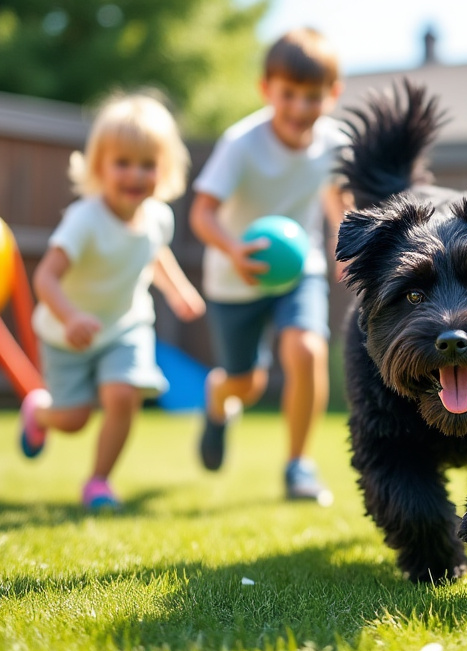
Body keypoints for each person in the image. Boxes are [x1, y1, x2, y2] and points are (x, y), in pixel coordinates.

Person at [20, 92, 206, 510]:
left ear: (165, 170)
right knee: (73, 419)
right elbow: (45, 276)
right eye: (123, 163)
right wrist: (69, 317)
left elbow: (154, 252)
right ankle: (39, 413)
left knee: (124, 394)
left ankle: (99, 482)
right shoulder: (84, 220)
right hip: (65, 333)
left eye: (147, 165)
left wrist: (177, 291)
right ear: (98, 166)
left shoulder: (158, 216)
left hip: (125, 325)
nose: (135, 175)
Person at [188, 27, 350, 503]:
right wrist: (235, 251)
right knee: (246, 384)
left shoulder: (335, 143)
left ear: (333, 95)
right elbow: (202, 213)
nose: (301, 108)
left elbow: (338, 200)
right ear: (266, 90)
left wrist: (348, 243)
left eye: (313, 97)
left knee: (308, 351)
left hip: (299, 270)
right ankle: (218, 404)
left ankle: (298, 465)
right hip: (235, 277)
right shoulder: (241, 143)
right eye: (289, 95)